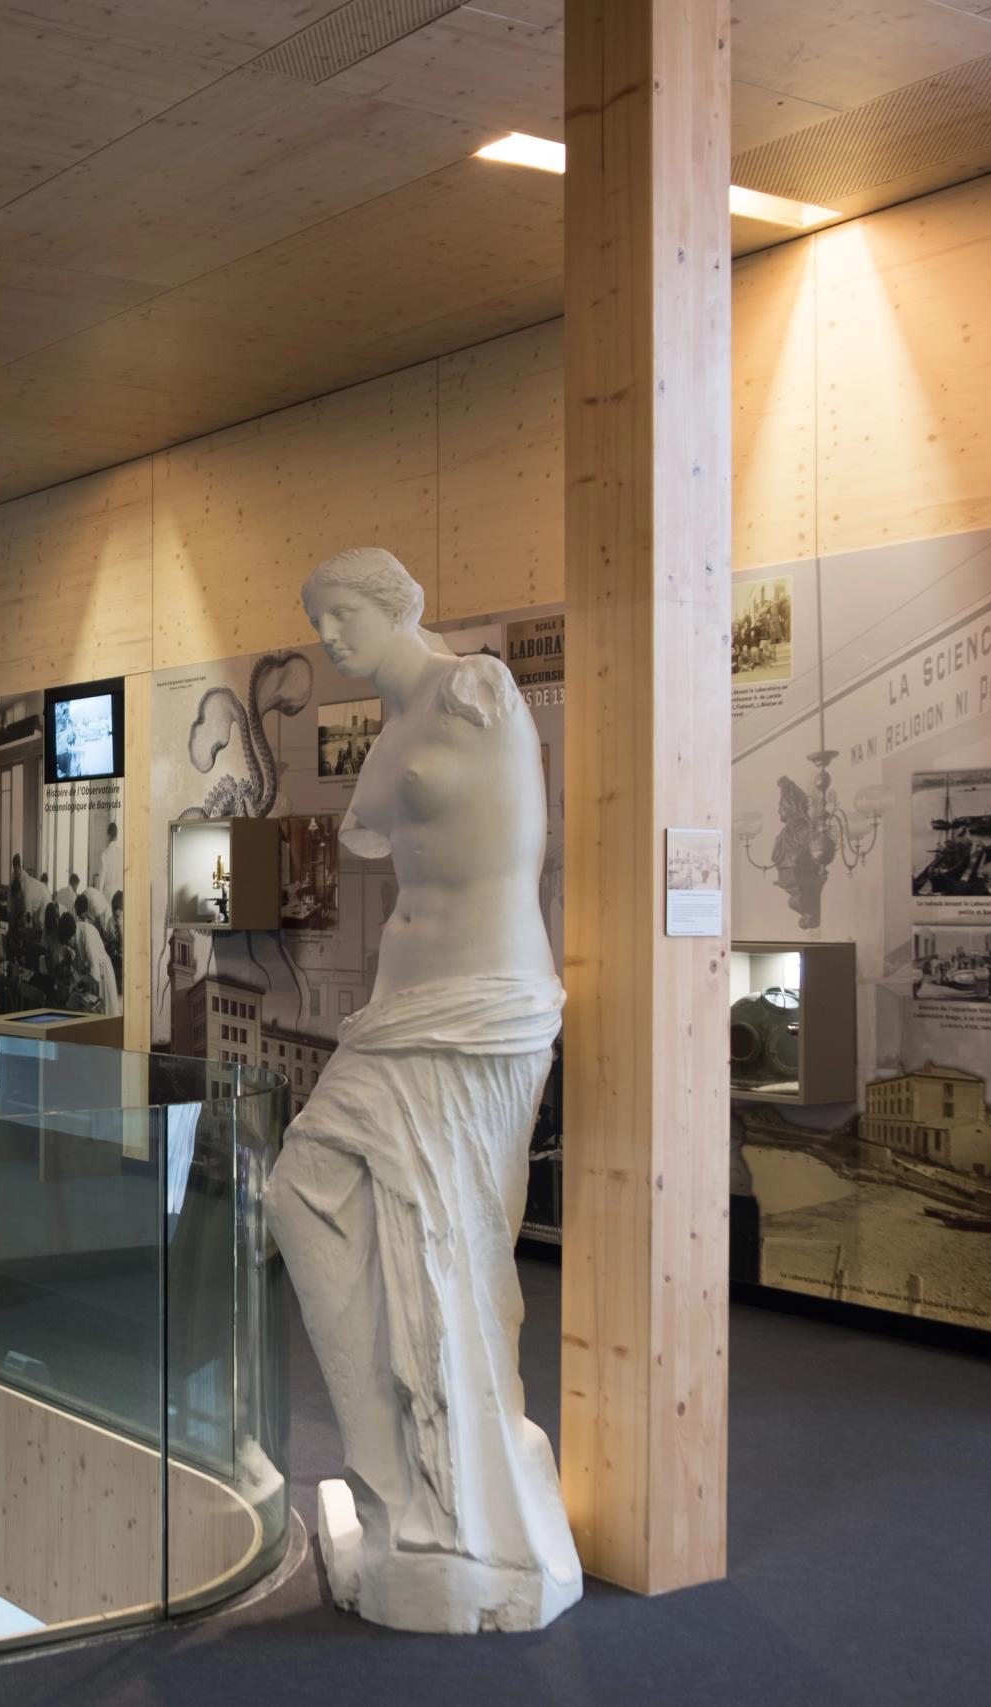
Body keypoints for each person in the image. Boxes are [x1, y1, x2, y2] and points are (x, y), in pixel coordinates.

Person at [266, 546, 581, 1633]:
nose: (330, 638)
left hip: (478, 1009)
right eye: (318, 622)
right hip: (401, 1017)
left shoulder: (474, 691)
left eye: (343, 614)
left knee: (454, 1251)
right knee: (305, 1196)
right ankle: (399, 1478)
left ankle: (463, 1507)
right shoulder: (392, 733)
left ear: (396, 604)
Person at [71, 893, 119, 1015]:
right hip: (95, 971)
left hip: (102, 973)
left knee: (108, 1012)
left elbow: (95, 974)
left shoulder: (87, 931)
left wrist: (80, 979)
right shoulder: (78, 928)